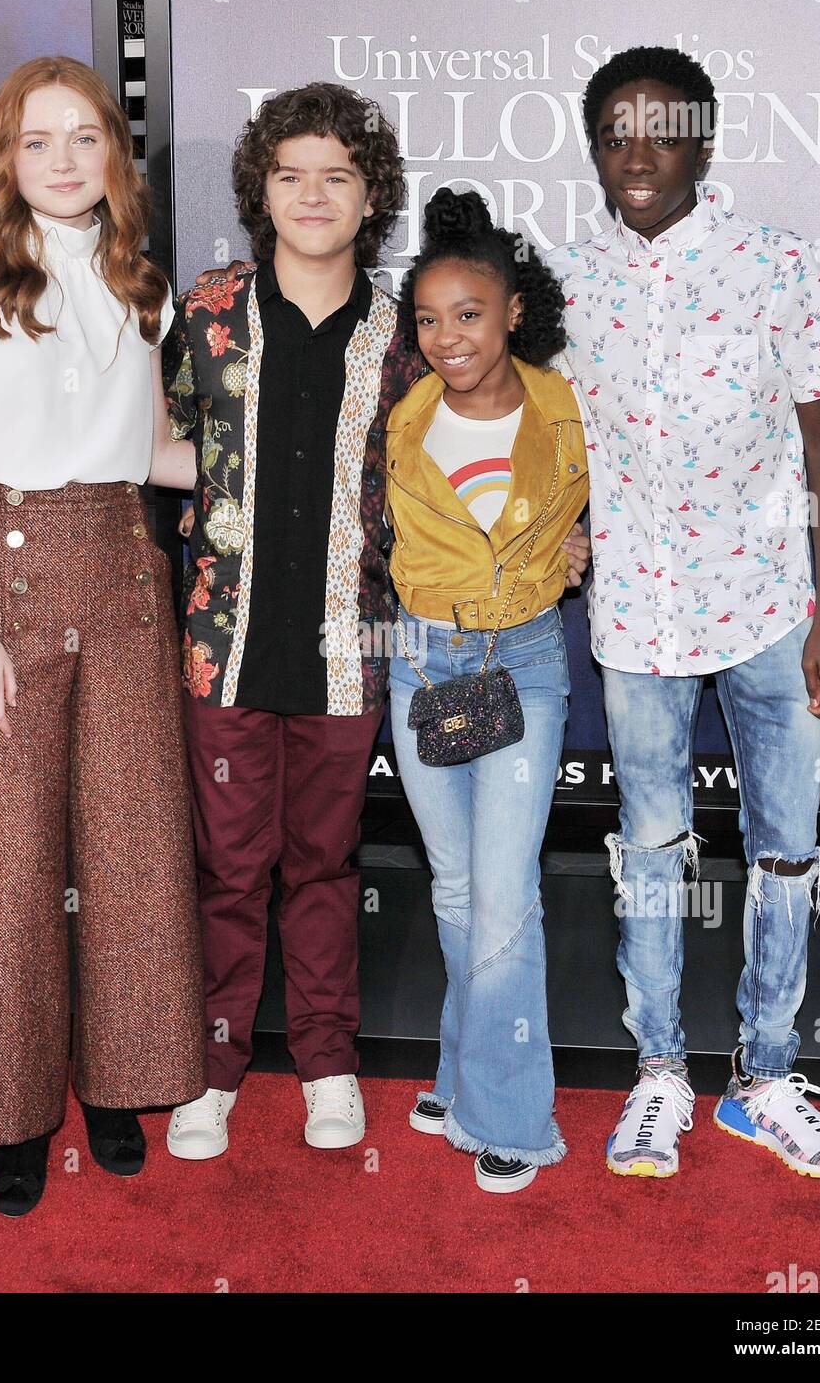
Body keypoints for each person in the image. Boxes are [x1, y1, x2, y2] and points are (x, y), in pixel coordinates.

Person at [162, 86, 592, 1161]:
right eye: (290, 173)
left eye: (337, 176)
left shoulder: (407, 335)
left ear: (370, 200)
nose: (312, 195)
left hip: (359, 649)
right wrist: (210, 498)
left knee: (322, 863)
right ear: (260, 190)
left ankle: (325, 1064)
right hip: (223, 642)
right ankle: (209, 1070)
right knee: (224, 868)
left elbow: (494, 438)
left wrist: (558, 543)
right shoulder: (209, 307)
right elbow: (157, 437)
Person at [544, 46, 820, 1178]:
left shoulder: (771, 261)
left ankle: (768, 1075)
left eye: (659, 128)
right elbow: (551, 443)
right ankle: (659, 1076)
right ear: (593, 151)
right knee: (649, 848)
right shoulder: (568, 284)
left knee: (785, 849)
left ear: (703, 141)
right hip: (634, 611)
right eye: (613, 133)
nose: (636, 152)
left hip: (773, 607)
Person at [0, 56, 205, 1217]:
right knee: (4, 862)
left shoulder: (144, 287)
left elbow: (152, 455)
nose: (66, 161)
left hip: (126, 566)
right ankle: (10, 1109)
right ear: (4, 157)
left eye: (87, 139)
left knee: (129, 848)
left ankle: (120, 1087)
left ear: (114, 158)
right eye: (39, 141)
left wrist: (277, 468)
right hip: (2, 578)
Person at [384, 187, 588, 1193]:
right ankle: (462, 1068)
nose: (446, 336)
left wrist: (577, 549)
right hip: (419, 662)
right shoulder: (396, 420)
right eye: (427, 318)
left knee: (503, 898)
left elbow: (630, 506)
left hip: (526, 662)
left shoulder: (566, 408)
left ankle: (510, 1116)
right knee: (458, 887)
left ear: (513, 310)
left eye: (467, 313)